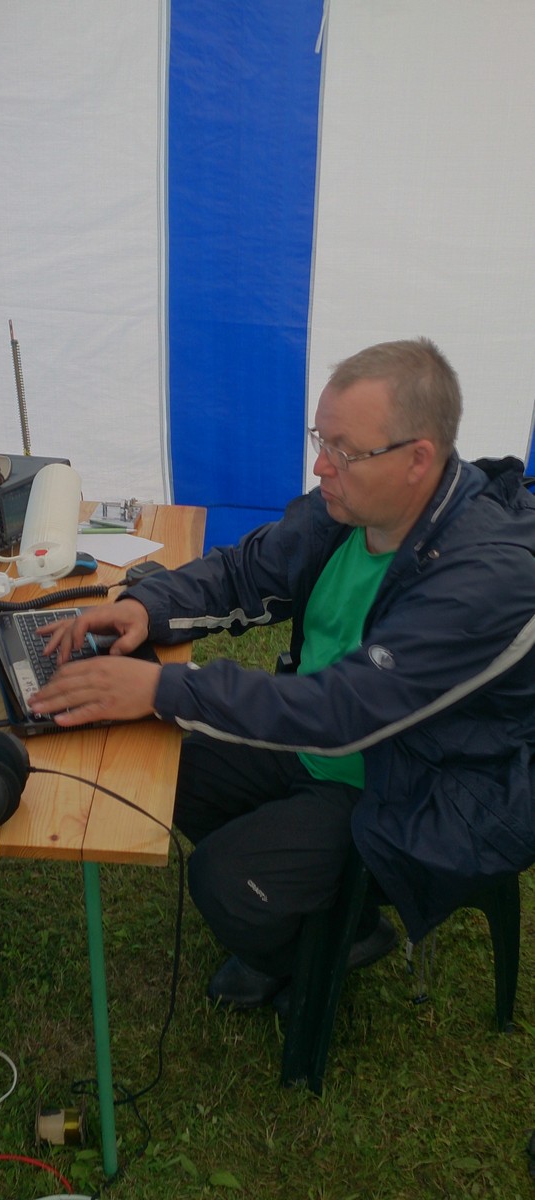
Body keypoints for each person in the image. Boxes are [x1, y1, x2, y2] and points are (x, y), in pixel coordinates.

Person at [29, 338, 535, 1015]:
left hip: (415, 784)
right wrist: (147, 607)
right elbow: (246, 571)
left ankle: (339, 939)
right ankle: (305, 902)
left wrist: (159, 688)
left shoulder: (487, 578)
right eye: (320, 440)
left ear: (417, 459)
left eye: (343, 450)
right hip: (330, 743)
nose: (320, 465)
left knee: (223, 879)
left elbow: (342, 711)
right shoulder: (353, 507)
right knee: (163, 771)